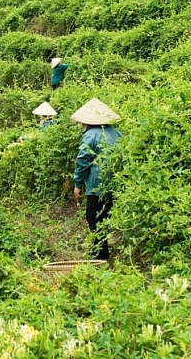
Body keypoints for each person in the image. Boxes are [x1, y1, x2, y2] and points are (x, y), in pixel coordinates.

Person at [70, 98, 121, 261]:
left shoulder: (90, 136)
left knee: (93, 219)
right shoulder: (116, 133)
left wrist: (78, 184)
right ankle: (102, 253)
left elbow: (83, 161)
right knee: (104, 218)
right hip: (114, 183)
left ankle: (99, 255)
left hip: (97, 184)